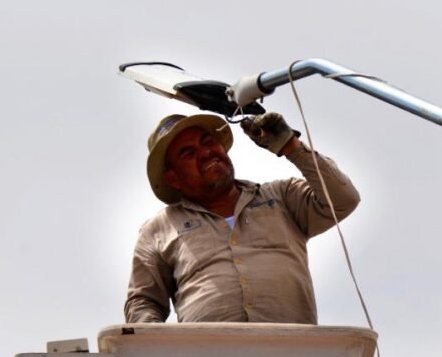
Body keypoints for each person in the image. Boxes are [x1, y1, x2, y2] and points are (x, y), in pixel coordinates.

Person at [124, 112, 360, 324]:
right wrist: (155, 349)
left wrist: (291, 147)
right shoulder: (158, 229)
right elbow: (144, 302)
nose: (205, 152)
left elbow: (344, 199)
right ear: (173, 179)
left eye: (208, 141)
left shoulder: (282, 196)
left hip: (292, 353)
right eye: (188, 153)